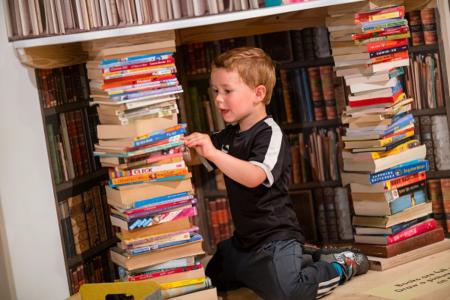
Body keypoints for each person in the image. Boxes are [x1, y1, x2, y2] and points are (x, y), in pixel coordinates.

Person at [183, 47, 368, 300]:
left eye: (227, 91)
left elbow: (254, 176)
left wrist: (213, 154)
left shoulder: (270, 133)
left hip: (276, 238)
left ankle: (337, 265)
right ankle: (302, 257)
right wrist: (175, 149)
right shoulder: (228, 135)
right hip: (244, 243)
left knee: (288, 292)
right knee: (211, 279)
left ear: (258, 93)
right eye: (215, 91)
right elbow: (194, 157)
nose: (218, 99)